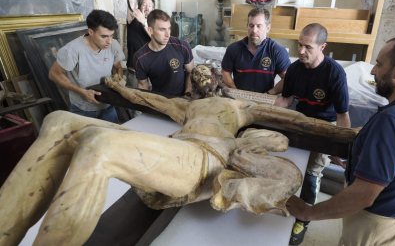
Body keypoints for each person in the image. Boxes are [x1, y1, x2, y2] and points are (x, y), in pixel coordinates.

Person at [0, 65, 359, 246]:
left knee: (98, 145)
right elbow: (144, 99)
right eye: (197, 74)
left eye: (207, 73)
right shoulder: (185, 105)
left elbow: (297, 119)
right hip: (176, 149)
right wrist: (116, 87)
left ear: (217, 79)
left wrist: (349, 133)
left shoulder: (241, 106)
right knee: (59, 119)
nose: (201, 77)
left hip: (203, 158)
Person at [286, 35, 395, 246]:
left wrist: (307, 212)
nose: (373, 71)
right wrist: (357, 165)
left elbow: (362, 196)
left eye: (379, 65)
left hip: (374, 227)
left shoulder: (393, 121)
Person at [274, 23, 350, 245]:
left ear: (322, 47)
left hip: (324, 127)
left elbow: (342, 115)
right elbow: (286, 100)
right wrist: (259, 111)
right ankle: (284, 203)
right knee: (288, 164)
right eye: (299, 44)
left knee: (311, 174)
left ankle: (303, 219)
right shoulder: (295, 69)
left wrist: (341, 148)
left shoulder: (335, 73)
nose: (301, 51)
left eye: (307, 46)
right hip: (300, 123)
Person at [49, 9, 125, 123]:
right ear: (91, 32)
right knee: (83, 140)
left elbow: (117, 66)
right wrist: (84, 92)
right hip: (83, 108)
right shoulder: (72, 50)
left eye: (111, 35)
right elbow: (54, 74)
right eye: (104, 36)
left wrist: (118, 82)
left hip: (108, 105)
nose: (109, 41)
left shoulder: (113, 45)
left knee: (112, 139)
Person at [221, 7, 291, 94]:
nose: (254, 30)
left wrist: (270, 93)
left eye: (259, 26)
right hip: (238, 98)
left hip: (265, 99)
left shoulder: (278, 51)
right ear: (247, 26)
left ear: (268, 28)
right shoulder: (234, 49)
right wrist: (236, 92)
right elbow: (225, 73)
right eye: (251, 26)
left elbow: (288, 78)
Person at [133, 9, 194, 97]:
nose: (168, 34)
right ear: (150, 30)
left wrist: (188, 93)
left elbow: (191, 73)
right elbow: (143, 86)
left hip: (183, 99)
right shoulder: (140, 58)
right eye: (162, 30)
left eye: (169, 29)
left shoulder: (182, 46)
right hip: (159, 101)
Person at [126, 0, 155, 88]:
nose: (147, 7)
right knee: (132, 104)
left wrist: (144, 22)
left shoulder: (154, 25)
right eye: (144, 4)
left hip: (151, 73)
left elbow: (157, 40)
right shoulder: (133, 19)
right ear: (139, 7)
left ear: (153, 9)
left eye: (150, 5)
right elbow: (131, 0)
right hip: (134, 73)